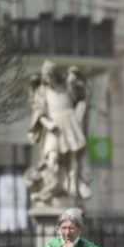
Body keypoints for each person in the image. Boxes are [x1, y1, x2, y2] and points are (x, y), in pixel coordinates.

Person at [26, 60, 91, 205]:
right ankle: (50, 188)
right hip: (53, 128)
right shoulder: (42, 91)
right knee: (52, 157)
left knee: (72, 157)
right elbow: (39, 112)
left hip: (69, 122)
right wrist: (48, 124)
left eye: (49, 75)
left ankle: (73, 185)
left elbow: (81, 96)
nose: (47, 78)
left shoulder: (66, 87)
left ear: (54, 75)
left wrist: (77, 79)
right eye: (45, 76)